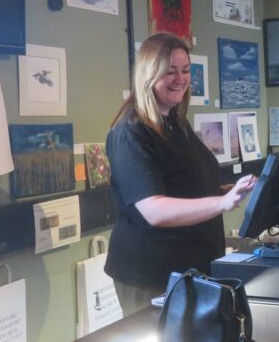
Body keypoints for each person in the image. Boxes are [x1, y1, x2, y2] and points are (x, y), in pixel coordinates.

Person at [105, 33, 257, 316]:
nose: (180, 79)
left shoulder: (176, 122)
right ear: (148, 74)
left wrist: (225, 192)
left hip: (192, 267)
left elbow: (183, 185)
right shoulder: (131, 131)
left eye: (186, 70)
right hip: (153, 273)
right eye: (170, 71)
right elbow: (154, 210)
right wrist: (221, 203)